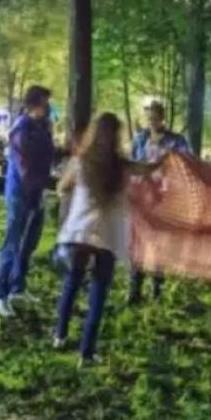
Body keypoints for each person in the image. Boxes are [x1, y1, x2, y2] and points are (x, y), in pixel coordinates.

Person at [54, 114, 157, 367]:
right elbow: (147, 169)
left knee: (72, 284)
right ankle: (86, 352)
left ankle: (60, 334)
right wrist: (167, 159)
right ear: (117, 137)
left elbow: (61, 188)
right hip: (108, 236)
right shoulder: (123, 166)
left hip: (79, 232)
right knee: (98, 295)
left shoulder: (81, 162)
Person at [0, 85, 56, 318]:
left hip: (36, 192)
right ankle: (0, 294)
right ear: (35, 103)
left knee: (29, 243)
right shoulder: (22, 129)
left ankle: (17, 288)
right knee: (12, 242)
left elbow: (48, 154)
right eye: (45, 101)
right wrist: (49, 183)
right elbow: (25, 167)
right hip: (21, 193)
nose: (49, 106)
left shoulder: (42, 126)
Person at [127, 101, 191, 304]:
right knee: (137, 242)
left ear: (163, 118)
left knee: (159, 243)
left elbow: (186, 164)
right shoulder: (140, 138)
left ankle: (157, 288)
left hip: (164, 198)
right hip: (142, 197)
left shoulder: (176, 141)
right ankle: (135, 287)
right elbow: (132, 162)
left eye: (156, 117)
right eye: (150, 118)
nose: (153, 121)